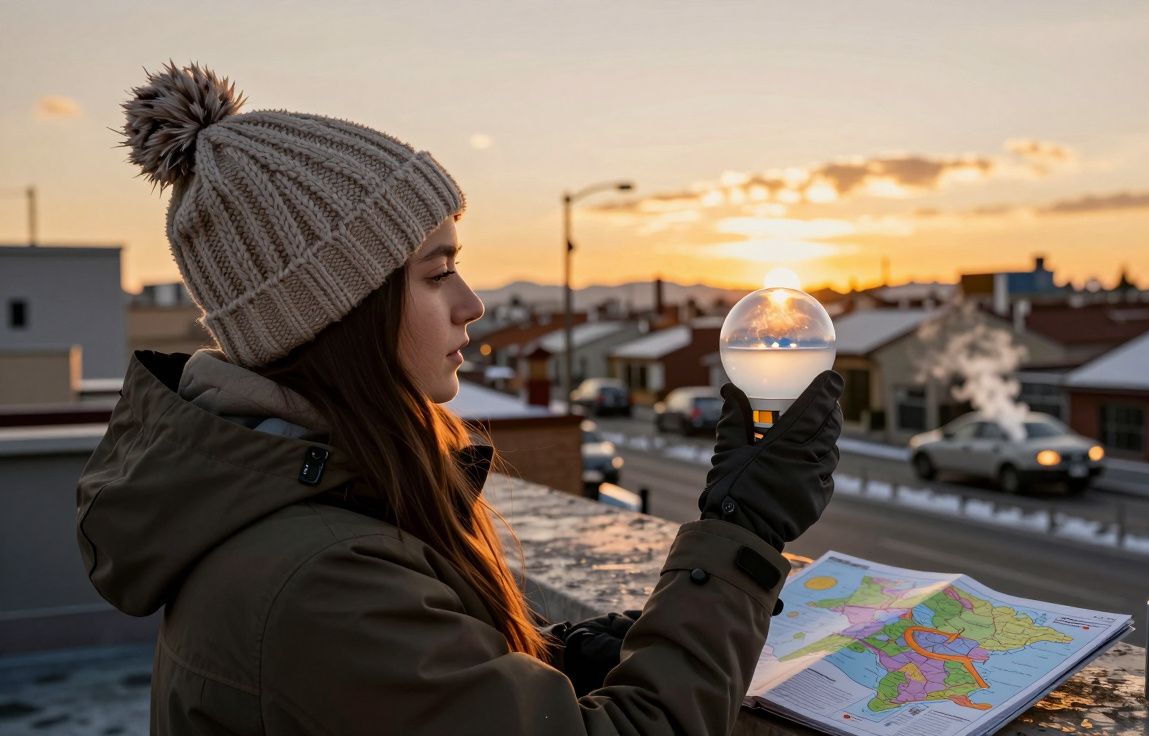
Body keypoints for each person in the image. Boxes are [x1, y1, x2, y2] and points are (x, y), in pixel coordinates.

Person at [77, 61, 844, 735]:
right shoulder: (317, 586)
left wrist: (557, 654)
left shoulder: (310, 502)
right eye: (437, 271)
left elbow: (418, 685)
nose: (472, 302)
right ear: (341, 310)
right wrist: (743, 525)